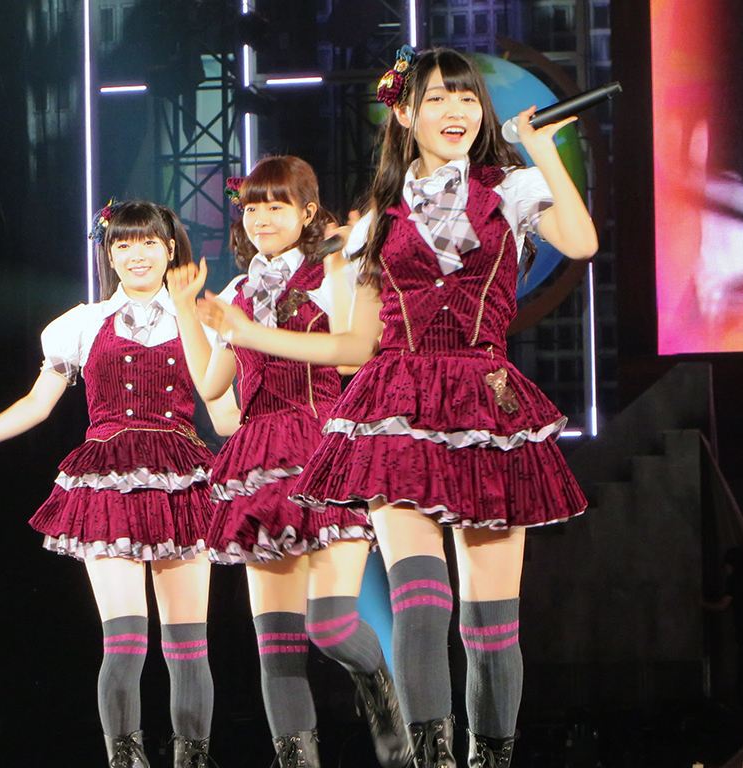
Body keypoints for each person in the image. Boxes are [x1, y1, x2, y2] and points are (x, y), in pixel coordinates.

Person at [194, 47, 597, 768]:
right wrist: (246, 335)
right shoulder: (377, 220)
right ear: (406, 115)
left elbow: (582, 241)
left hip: (486, 404)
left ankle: (489, 759)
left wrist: (538, 148)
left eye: (467, 99)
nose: (456, 111)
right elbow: (358, 344)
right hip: (397, 406)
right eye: (437, 99)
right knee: (420, 600)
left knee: (490, 625)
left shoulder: (511, 189)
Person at [0, 201, 237, 768]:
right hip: (107, 482)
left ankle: (192, 760)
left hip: (183, 479)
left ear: (170, 250)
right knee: (125, 642)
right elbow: (36, 404)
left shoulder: (201, 320)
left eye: (149, 242)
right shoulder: (82, 324)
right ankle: (125, 760)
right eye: (123, 244)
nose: (136, 254)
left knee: (189, 646)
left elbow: (223, 412)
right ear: (109, 255)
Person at [167, 155, 411, 768]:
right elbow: (213, 385)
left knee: (330, 625)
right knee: (275, 646)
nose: (261, 218)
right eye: (252, 207)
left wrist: (340, 260)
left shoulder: (333, 271)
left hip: (323, 453)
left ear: (307, 212)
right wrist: (189, 310)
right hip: (258, 461)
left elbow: (354, 355)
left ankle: (378, 684)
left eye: (276, 206)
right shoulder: (239, 293)